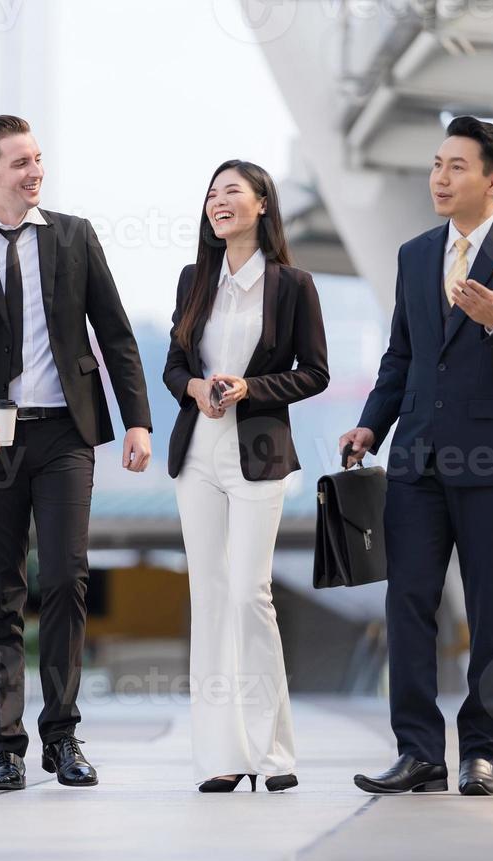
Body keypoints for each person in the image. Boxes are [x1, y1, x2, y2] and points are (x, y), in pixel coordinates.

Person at [0, 115, 153, 791]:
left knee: (68, 576)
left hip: (64, 433)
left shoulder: (74, 237)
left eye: (38, 159)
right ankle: (6, 744)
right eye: (20, 162)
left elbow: (116, 334)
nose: (35, 171)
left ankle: (64, 734)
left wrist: (137, 422)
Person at [340, 116, 493, 797]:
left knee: (492, 609)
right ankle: (418, 752)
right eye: (436, 165)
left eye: (456, 167)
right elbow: (402, 356)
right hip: (417, 461)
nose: (440, 177)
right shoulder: (414, 254)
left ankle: (482, 752)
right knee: (407, 602)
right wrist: (371, 426)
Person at [163, 160, 329, 793]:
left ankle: (274, 752)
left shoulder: (292, 285)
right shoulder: (193, 280)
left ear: (262, 204)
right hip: (197, 455)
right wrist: (198, 385)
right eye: (210, 194)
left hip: (257, 455)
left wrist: (250, 386)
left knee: (247, 595)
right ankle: (221, 756)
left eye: (231, 191)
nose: (217, 202)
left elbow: (314, 372)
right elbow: (174, 366)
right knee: (207, 599)